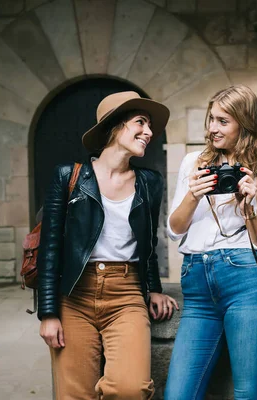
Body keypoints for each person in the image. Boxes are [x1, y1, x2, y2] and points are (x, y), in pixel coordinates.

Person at [37, 91, 179, 400]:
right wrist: (48, 313)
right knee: (74, 394)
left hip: (126, 294)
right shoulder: (68, 177)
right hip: (75, 295)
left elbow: (148, 243)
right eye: (140, 122)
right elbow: (50, 250)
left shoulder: (149, 182)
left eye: (151, 126)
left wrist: (153, 287)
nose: (149, 132)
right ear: (114, 126)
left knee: (130, 389)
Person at [164, 85, 257, 400]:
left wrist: (248, 212)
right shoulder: (194, 163)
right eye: (211, 119)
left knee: (248, 394)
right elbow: (174, 230)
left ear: (244, 126)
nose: (211, 128)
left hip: (244, 281)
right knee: (178, 395)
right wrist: (193, 194)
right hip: (197, 285)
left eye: (222, 121)